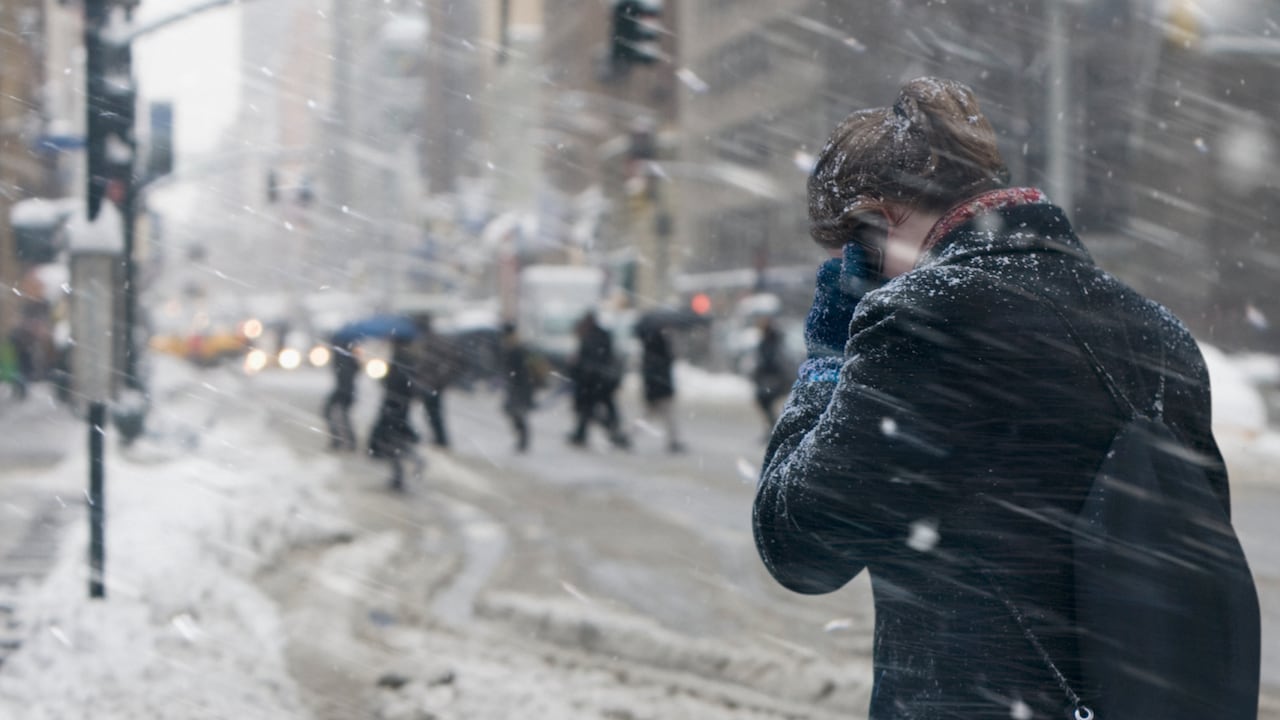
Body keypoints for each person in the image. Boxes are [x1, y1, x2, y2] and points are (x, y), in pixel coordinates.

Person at [753, 78, 1242, 718]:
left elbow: (799, 545)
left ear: (879, 221)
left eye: (851, 248)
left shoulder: (928, 317)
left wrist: (826, 359)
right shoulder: (1158, 332)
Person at [566, 311, 629, 449]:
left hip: (593, 381)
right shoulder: (601, 335)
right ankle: (612, 432)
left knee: (588, 410)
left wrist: (578, 368)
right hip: (600, 380)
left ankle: (586, 434)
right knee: (601, 409)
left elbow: (589, 359)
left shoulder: (590, 337)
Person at [368, 335, 423, 491]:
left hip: (394, 407)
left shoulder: (400, 361)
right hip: (398, 407)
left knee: (393, 443)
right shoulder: (406, 360)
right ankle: (400, 475)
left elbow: (393, 383)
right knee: (395, 442)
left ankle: (403, 474)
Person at [636, 323, 684, 453]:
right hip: (661, 389)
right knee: (665, 416)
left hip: (656, 389)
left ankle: (630, 435)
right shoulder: (661, 351)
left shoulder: (649, 351)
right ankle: (673, 440)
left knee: (651, 416)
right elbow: (665, 367)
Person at [411, 314, 455, 449]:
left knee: (433, 414)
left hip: (430, 384)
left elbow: (448, 363)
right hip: (430, 384)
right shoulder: (427, 340)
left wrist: (438, 380)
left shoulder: (428, 341)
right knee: (433, 413)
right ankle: (440, 439)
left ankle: (441, 440)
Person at [499, 322, 538, 452]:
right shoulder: (515, 348)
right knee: (515, 413)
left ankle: (523, 441)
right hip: (519, 386)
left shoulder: (517, 349)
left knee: (517, 413)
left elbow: (521, 370)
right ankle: (522, 440)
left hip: (520, 387)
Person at [750, 316, 788, 434]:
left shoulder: (772, 342)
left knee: (765, 401)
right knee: (765, 402)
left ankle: (774, 429)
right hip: (769, 379)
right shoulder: (769, 341)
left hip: (773, 379)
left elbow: (773, 361)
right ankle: (773, 429)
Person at [322, 338, 359, 451]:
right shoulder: (348, 356)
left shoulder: (341, 357)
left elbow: (345, 375)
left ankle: (339, 441)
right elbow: (356, 369)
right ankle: (347, 441)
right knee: (342, 416)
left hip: (344, 390)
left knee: (330, 412)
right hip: (347, 390)